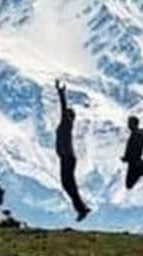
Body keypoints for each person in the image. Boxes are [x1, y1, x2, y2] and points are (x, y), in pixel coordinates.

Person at [55, 80, 91, 221]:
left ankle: (82, 209)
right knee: (69, 184)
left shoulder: (66, 122)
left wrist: (61, 93)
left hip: (67, 157)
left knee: (68, 184)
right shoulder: (67, 124)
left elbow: (63, 109)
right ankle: (82, 208)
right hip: (67, 157)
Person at [122, 115, 143, 190]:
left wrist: (128, 157)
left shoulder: (137, 134)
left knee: (129, 184)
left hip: (134, 161)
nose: (128, 124)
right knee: (129, 183)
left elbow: (135, 148)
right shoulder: (138, 133)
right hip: (133, 161)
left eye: (129, 123)